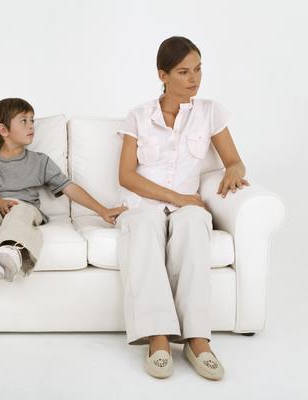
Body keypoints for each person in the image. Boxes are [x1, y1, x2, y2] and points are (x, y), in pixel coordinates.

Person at [116, 36, 249, 380]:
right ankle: (158, 337)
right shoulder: (138, 116)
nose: (194, 78)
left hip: (188, 207)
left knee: (193, 223)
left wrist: (234, 171)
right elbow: (127, 176)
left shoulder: (210, 112)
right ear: (163, 75)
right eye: (183, 71)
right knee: (144, 225)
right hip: (144, 204)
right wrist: (176, 197)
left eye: (198, 69)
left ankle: (197, 339)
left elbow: (234, 161)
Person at [0, 98, 127, 286]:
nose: (31, 126)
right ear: (3, 130)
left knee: (20, 210)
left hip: (23, 206)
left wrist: (102, 210)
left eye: (32, 120)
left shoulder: (40, 161)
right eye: (24, 121)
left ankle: (10, 251)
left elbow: (70, 188)